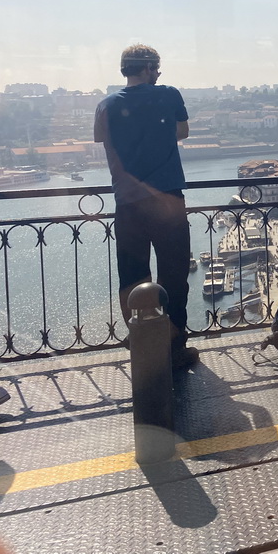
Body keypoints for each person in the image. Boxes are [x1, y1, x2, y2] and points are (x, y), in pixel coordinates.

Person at [93, 44, 197, 368]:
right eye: (157, 68)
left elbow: (102, 140)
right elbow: (183, 131)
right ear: (150, 68)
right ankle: (174, 346)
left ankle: (141, 341)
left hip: (128, 205)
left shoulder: (106, 105)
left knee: (133, 278)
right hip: (166, 201)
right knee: (174, 275)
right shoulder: (167, 95)